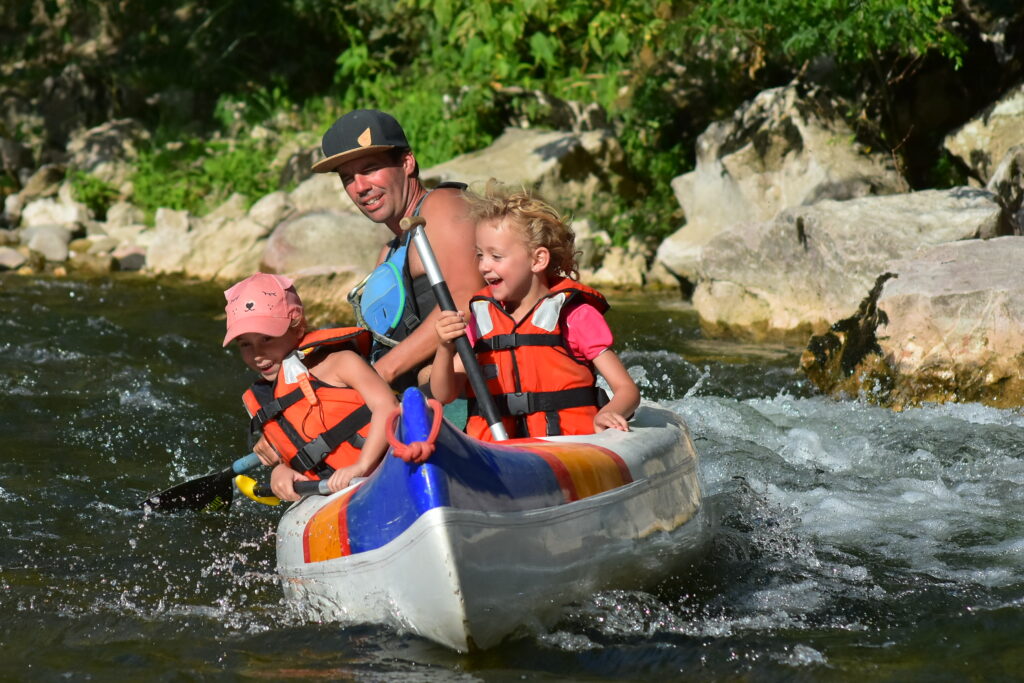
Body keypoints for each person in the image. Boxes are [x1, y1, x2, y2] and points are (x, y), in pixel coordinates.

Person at [429, 183, 640, 441]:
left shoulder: (574, 314)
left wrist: (609, 413)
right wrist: (444, 347)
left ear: (537, 260)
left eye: (496, 256)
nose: (483, 266)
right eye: (480, 255)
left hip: (567, 448)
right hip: (501, 451)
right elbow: (443, 394)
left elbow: (626, 389)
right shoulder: (482, 319)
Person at [311, 109, 482, 390]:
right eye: (347, 178)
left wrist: (380, 373)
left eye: (369, 170)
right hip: (414, 400)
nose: (360, 187)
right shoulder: (388, 253)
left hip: (465, 398)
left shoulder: (442, 206)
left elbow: (467, 298)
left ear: (406, 163)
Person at [222, 272, 397, 501]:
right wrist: (280, 472)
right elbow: (292, 455)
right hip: (337, 495)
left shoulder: (340, 362)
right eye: (245, 345)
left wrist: (362, 466)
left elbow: (388, 406)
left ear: (298, 326)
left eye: (267, 339)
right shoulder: (267, 400)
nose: (257, 355)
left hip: (389, 467)